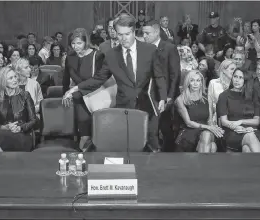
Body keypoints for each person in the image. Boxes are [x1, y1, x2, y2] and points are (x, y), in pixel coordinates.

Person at [64, 14, 167, 152]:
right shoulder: (111, 55)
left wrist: (163, 97)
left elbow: (159, 76)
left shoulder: (149, 50)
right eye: (120, 34)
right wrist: (76, 88)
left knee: (152, 145)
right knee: (128, 145)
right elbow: (99, 78)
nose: (123, 38)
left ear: (134, 31)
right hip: (124, 105)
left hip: (148, 104)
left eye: (127, 34)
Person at [61, 28, 105, 151]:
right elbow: (66, 79)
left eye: (79, 43)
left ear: (86, 42)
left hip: (96, 97)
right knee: (84, 136)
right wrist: (65, 93)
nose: (75, 46)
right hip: (79, 99)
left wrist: (75, 91)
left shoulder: (98, 55)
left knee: (98, 134)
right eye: (73, 43)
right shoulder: (70, 57)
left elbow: (98, 81)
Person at [142, 19, 180, 151]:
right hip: (148, 94)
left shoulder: (169, 48)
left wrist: (170, 96)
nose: (144, 36)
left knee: (165, 127)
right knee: (150, 128)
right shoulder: (144, 49)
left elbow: (175, 75)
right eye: (143, 33)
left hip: (165, 95)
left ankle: (168, 154)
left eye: (147, 33)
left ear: (157, 32)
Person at [0, 66, 37, 152]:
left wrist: (20, 128)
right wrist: (5, 127)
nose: (15, 80)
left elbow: (33, 120)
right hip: (3, 132)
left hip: (22, 134)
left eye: (15, 77)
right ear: (3, 81)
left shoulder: (25, 95)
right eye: (10, 78)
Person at [175, 70, 223, 152]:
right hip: (189, 131)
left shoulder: (207, 98)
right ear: (188, 82)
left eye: (198, 80)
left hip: (206, 131)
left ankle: (200, 164)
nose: (195, 83)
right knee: (212, 146)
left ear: (201, 82)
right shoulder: (180, 99)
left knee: (207, 135)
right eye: (192, 80)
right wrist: (208, 127)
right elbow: (188, 123)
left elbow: (209, 120)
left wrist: (214, 128)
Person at [218, 68, 260, 152]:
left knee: (247, 149)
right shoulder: (224, 96)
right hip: (233, 131)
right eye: (235, 76)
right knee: (250, 136)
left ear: (246, 80)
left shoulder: (253, 95)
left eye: (240, 78)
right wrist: (237, 126)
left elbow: (257, 121)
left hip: (251, 129)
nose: (237, 80)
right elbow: (224, 121)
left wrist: (241, 122)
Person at [208, 59, 236, 125]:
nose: (234, 72)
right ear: (223, 70)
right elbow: (210, 104)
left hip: (233, 119)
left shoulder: (237, 84)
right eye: (232, 69)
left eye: (235, 69)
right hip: (217, 118)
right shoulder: (213, 83)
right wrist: (210, 120)